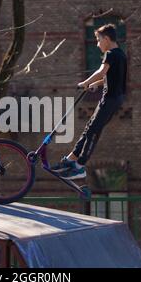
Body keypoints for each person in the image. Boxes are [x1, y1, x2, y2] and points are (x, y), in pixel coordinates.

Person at [50, 24, 127, 180]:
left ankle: (79, 167)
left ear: (106, 39)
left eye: (98, 40)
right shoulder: (121, 54)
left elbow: (101, 72)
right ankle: (71, 159)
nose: (97, 44)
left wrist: (84, 82)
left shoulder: (110, 54)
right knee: (90, 128)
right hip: (115, 98)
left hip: (110, 99)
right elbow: (111, 78)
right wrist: (96, 84)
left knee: (93, 131)